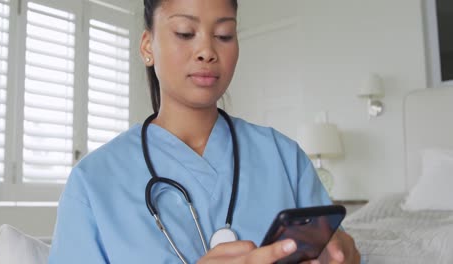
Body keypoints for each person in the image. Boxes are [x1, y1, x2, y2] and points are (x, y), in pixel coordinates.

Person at [48, 0, 361, 263]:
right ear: (148, 47)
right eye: (185, 32)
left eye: (224, 35)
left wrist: (343, 252)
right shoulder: (92, 183)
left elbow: (338, 246)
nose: (207, 51)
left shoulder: (284, 157)